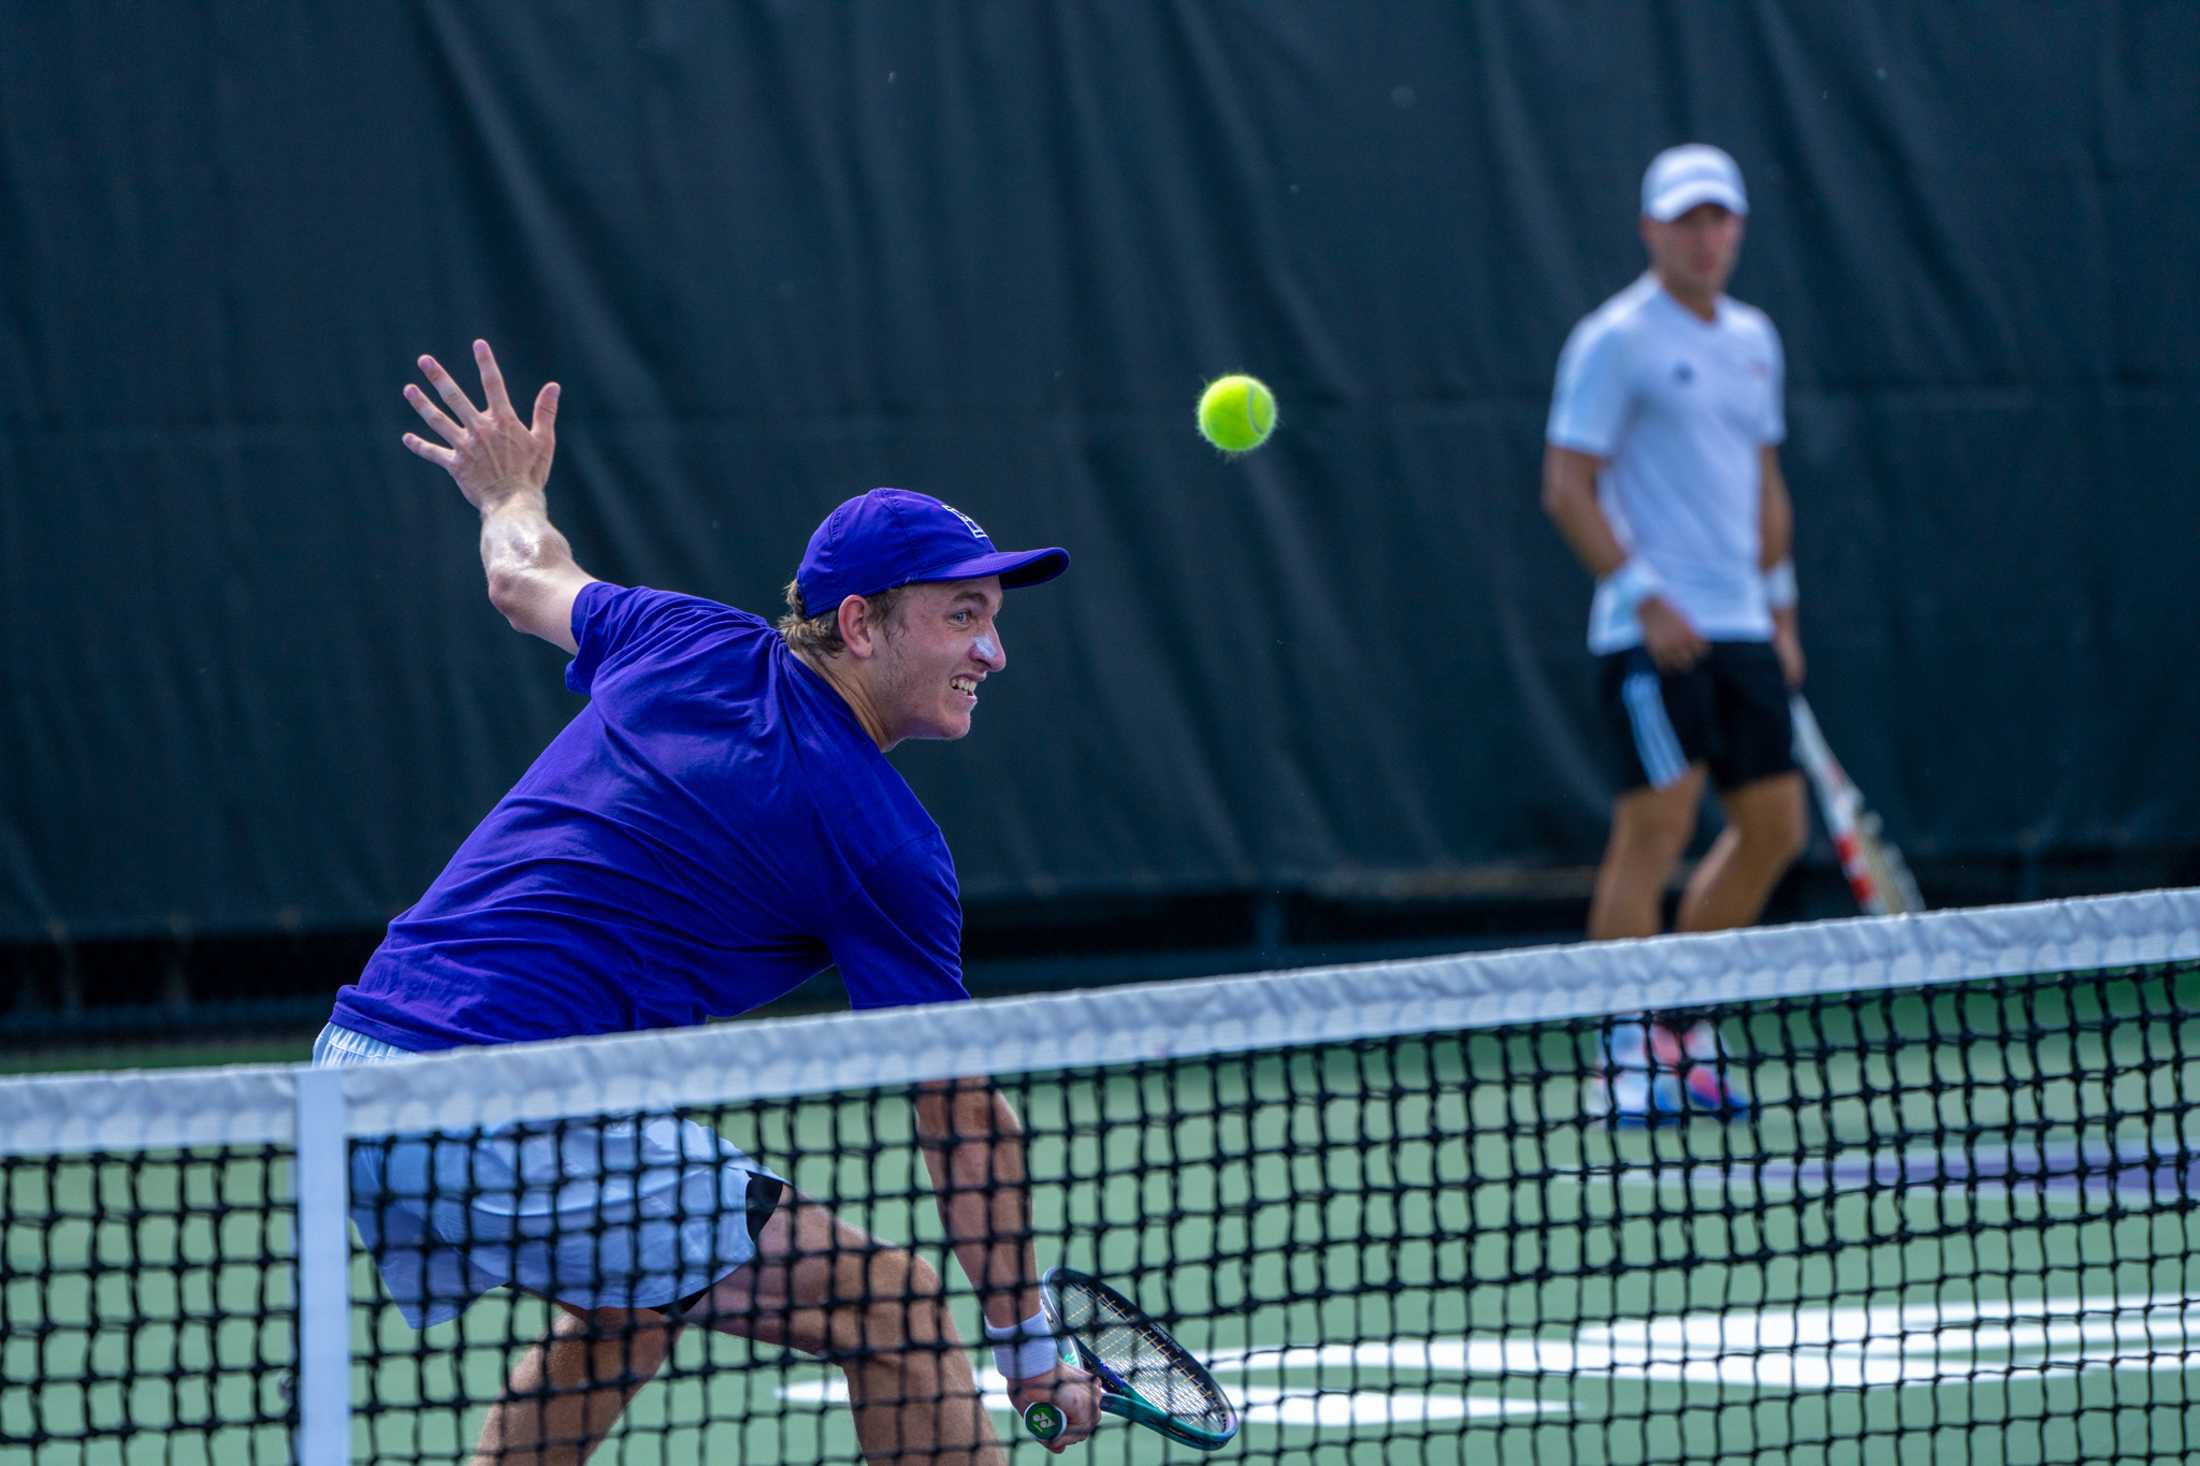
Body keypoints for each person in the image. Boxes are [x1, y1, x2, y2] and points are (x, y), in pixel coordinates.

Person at [316, 339, 1101, 1464]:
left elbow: (521, 572)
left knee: (630, 1305)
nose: (994, 649)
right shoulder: (881, 841)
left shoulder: (685, 636)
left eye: (993, 615)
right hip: (493, 1095)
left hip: (350, 1072)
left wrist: (510, 491)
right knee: (894, 1307)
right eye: (962, 614)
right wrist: (1027, 1345)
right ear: (863, 621)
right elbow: (961, 1114)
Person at [1540, 146, 1809, 1123]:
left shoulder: (1755, 340)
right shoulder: (1613, 340)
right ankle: (1623, 1055)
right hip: (1647, 633)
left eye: (1719, 219)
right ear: (1652, 229)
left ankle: (1679, 1028)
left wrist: (1777, 610)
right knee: (1655, 825)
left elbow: (1762, 485)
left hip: (1740, 627)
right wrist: (1645, 595)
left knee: (1776, 828)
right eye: (1686, 220)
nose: (1706, 236)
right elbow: (1565, 486)